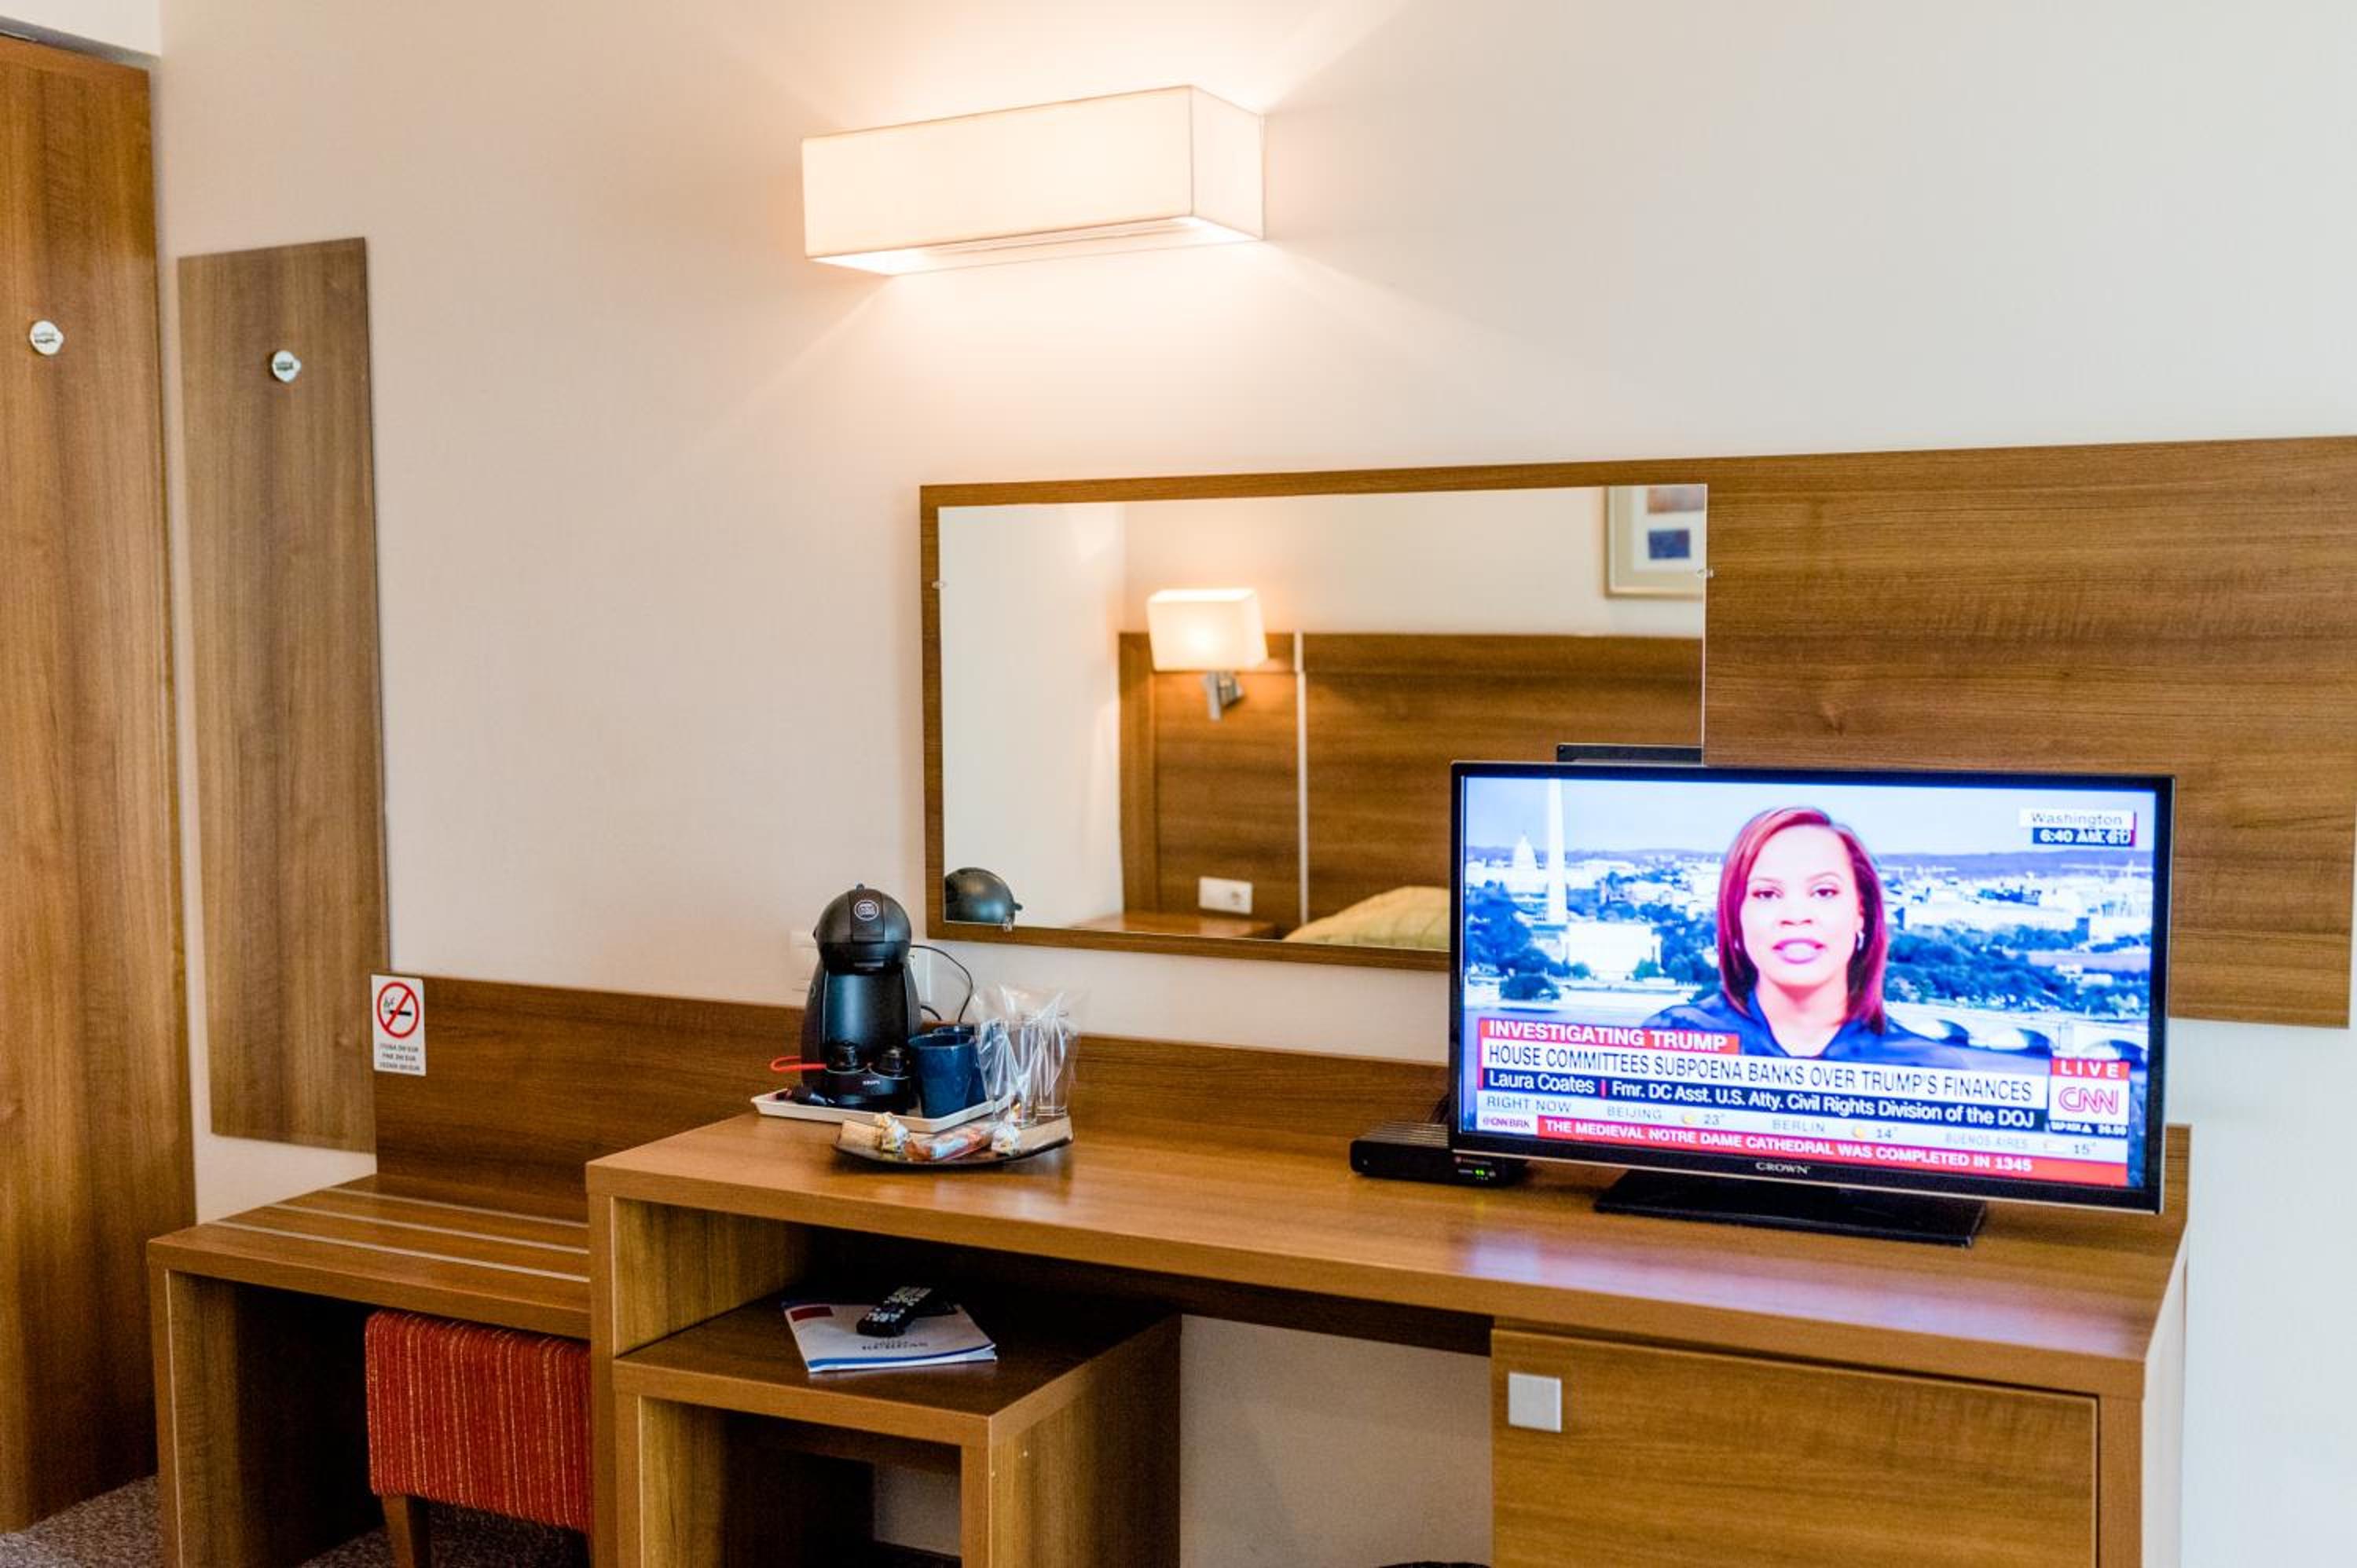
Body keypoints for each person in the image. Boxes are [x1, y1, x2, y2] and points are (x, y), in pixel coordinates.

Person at [1644, 806, 2004, 1067]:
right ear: (1735, 918)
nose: (1796, 915)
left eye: (1824, 892)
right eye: (1767, 894)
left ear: (1861, 912)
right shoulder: (1674, 1037)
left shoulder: (1928, 1068)